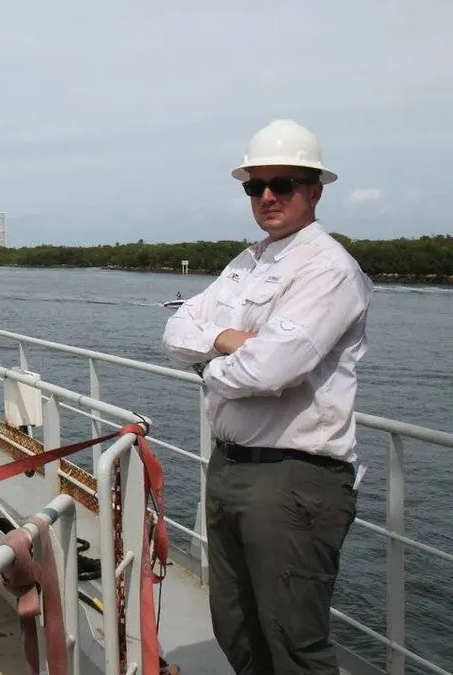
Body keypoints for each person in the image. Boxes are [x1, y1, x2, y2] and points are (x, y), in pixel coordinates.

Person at [160, 119, 372, 675]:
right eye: (256, 186)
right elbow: (175, 331)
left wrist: (209, 363)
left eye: (283, 184)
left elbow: (270, 369)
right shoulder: (246, 264)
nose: (268, 196)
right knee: (236, 628)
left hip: (293, 477)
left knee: (294, 643)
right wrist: (229, 341)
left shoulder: (329, 269)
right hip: (229, 467)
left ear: (315, 191)